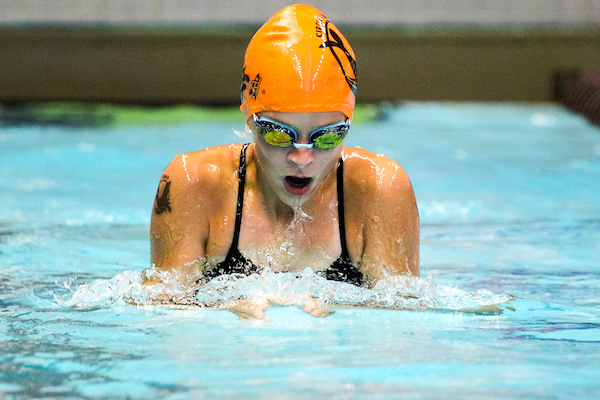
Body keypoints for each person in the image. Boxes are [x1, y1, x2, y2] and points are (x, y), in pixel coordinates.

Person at [146, 4, 420, 318]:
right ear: (249, 117)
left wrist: (348, 309)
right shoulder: (193, 183)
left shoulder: (381, 189)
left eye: (327, 136)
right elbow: (161, 316)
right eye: (278, 133)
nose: (302, 157)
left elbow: (404, 322)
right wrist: (223, 309)